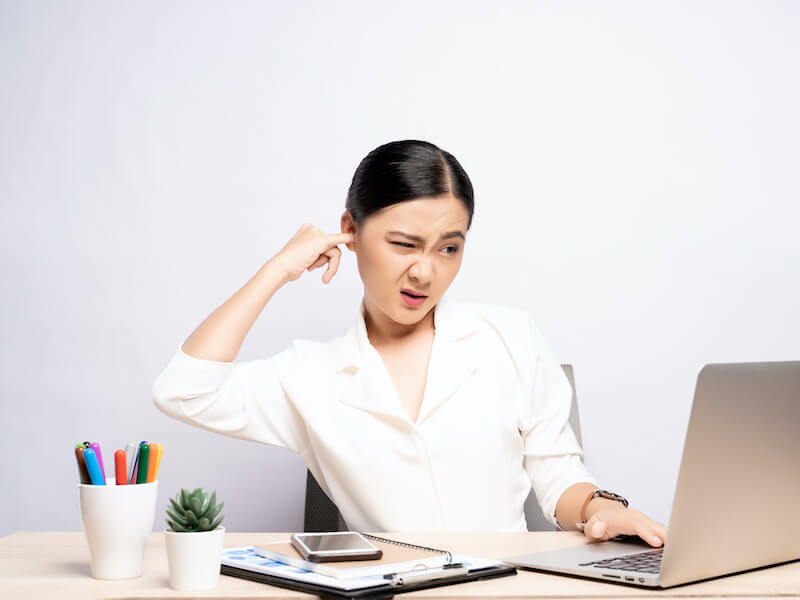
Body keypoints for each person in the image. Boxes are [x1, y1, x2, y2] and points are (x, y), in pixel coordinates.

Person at [152, 139, 667, 546]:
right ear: (350, 230)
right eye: (403, 245)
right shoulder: (310, 375)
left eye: (449, 248)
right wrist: (276, 270)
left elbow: (560, 480)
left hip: (508, 590)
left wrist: (602, 510)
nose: (425, 271)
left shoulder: (509, 338)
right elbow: (183, 391)